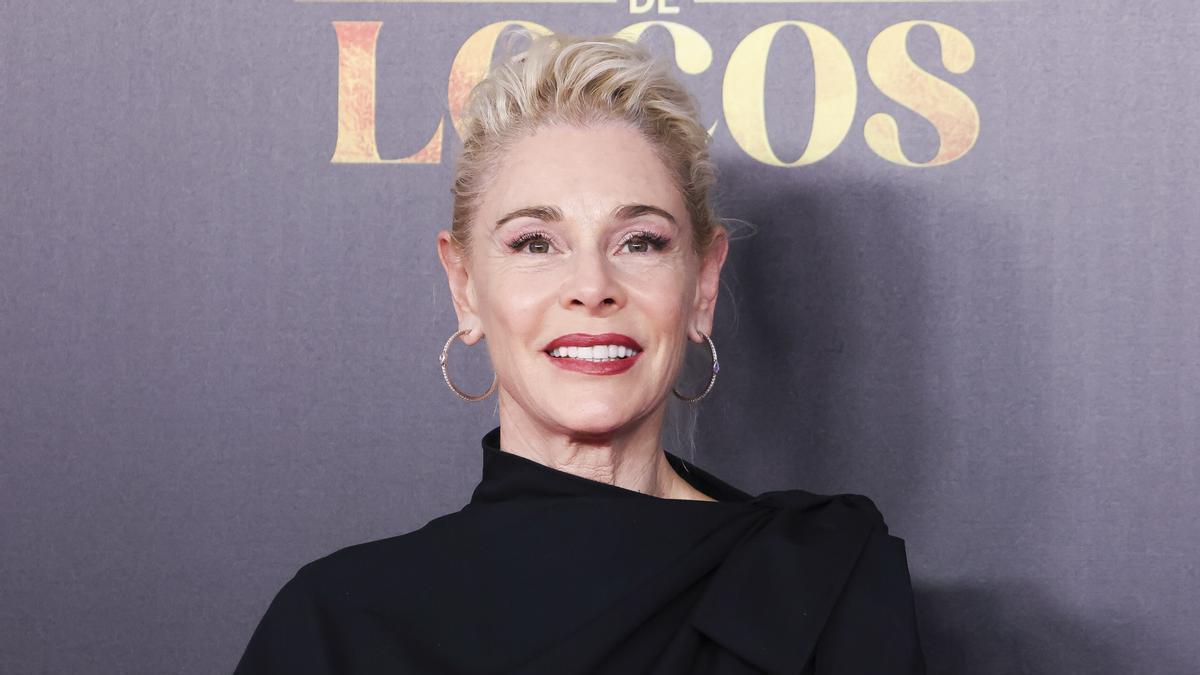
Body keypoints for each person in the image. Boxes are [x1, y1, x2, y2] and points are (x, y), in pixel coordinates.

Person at [235, 30, 925, 674]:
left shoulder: (820, 578)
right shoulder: (338, 624)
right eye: (535, 243)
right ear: (464, 285)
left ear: (703, 284)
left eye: (640, 242)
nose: (592, 287)